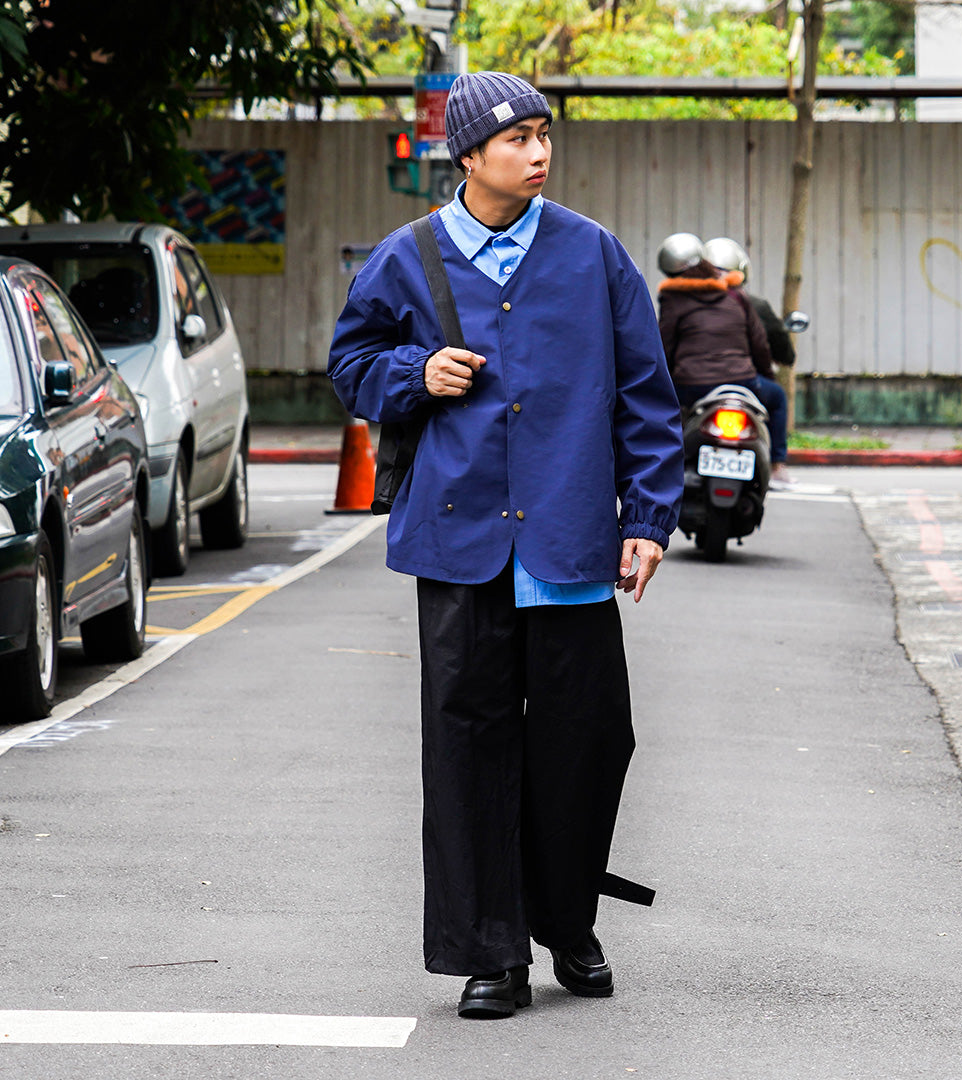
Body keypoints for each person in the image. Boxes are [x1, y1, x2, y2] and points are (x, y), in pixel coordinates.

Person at [327, 71, 683, 1020]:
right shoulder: (407, 259)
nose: (539, 151)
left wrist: (647, 520)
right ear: (470, 154)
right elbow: (351, 365)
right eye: (518, 137)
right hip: (458, 543)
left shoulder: (593, 255)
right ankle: (492, 954)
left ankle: (567, 922)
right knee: (467, 747)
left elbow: (649, 398)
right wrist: (414, 370)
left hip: (568, 539)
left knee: (590, 739)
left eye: (543, 134)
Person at [701, 237, 795, 487]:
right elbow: (772, 349)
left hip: (693, 383)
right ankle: (777, 466)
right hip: (744, 381)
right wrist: (766, 372)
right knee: (777, 398)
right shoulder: (753, 304)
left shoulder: (683, 301)